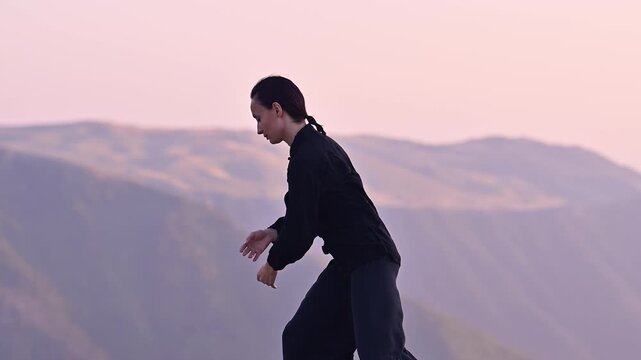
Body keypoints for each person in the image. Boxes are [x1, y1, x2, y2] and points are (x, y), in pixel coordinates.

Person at [240, 75, 417, 360]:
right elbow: (307, 211)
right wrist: (273, 233)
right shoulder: (310, 150)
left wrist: (274, 263)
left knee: (381, 355)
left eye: (258, 118)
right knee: (302, 340)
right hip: (350, 264)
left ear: (277, 109)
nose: (258, 129)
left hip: (371, 261)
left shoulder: (310, 156)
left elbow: (301, 231)